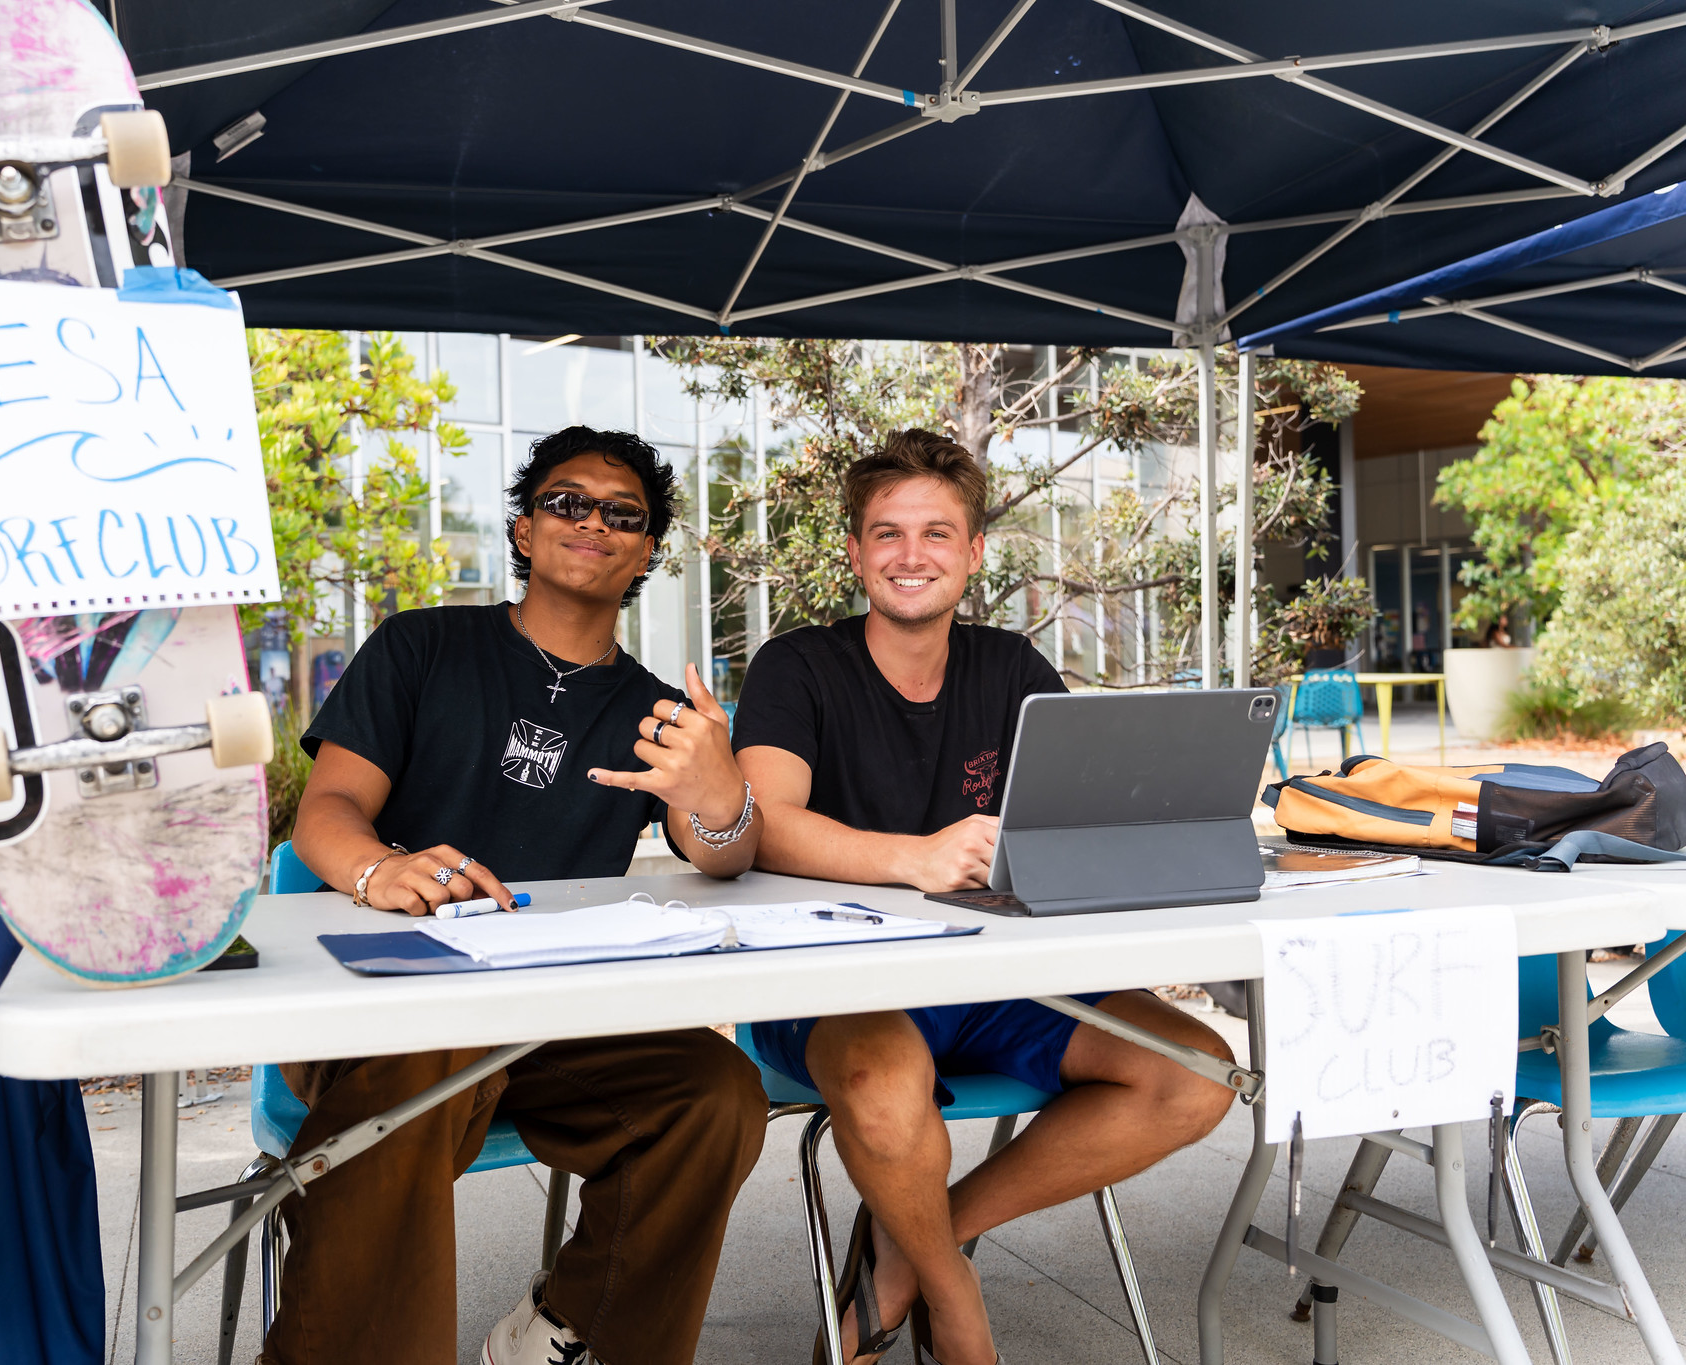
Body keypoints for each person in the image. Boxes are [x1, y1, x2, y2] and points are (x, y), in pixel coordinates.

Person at [731, 430, 1238, 1365]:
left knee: (1199, 1073)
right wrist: (912, 858)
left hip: (998, 980)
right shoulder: (796, 666)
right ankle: (956, 1296)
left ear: (971, 553)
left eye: (936, 532)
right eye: (886, 533)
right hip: (832, 987)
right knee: (884, 1080)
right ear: (855, 553)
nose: (911, 555)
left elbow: (1077, 814)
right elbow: (765, 822)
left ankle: (919, 1246)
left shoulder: (1010, 669)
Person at [267, 427, 768, 1365]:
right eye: (566, 502)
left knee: (717, 1093)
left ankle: (569, 1333)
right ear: (524, 530)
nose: (593, 523)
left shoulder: (657, 711)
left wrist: (720, 796)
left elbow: (723, 855)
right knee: (428, 1052)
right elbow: (326, 812)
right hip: (394, 1003)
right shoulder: (422, 644)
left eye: (624, 514)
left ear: (646, 551)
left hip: (554, 1016)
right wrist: (381, 870)